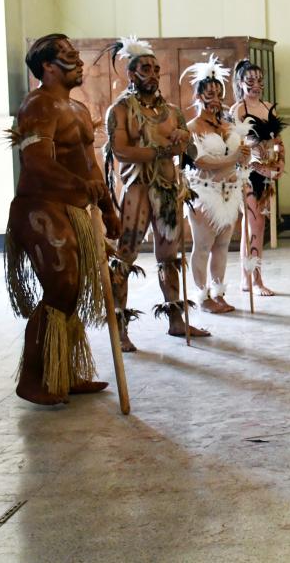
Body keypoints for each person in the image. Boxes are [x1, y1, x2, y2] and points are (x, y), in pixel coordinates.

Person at [4, 34, 121, 405]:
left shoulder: (79, 110)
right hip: (40, 207)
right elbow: (36, 163)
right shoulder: (37, 105)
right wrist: (78, 186)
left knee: (69, 293)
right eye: (70, 56)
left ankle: (63, 373)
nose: (81, 62)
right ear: (49, 67)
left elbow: (90, 167)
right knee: (61, 288)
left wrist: (107, 207)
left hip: (73, 208)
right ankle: (33, 378)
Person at [106, 36, 209, 349]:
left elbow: (186, 148)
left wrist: (182, 139)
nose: (152, 74)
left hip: (166, 189)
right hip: (137, 189)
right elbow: (121, 150)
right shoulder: (121, 110)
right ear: (131, 74)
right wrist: (160, 149)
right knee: (125, 255)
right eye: (144, 69)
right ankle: (120, 329)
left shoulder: (173, 112)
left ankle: (176, 321)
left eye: (155, 69)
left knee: (168, 256)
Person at [183, 56, 251, 313]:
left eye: (217, 92)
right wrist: (233, 158)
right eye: (208, 93)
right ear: (198, 96)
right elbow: (200, 160)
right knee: (202, 246)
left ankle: (218, 291)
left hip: (230, 192)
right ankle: (202, 297)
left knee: (222, 246)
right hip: (204, 193)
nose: (214, 97)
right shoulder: (191, 128)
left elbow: (240, 157)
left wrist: (244, 159)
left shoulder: (228, 124)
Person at [231, 60, 285, 295]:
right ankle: (256, 279)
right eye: (250, 81)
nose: (256, 85)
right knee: (255, 223)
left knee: (253, 225)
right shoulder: (238, 109)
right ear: (241, 83)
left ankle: (247, 276)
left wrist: (281, 161)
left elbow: (279, 141)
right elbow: (233, 143)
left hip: (266, 171)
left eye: (259, 81)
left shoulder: (269, 107)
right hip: (246, 172)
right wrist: (252, 156)